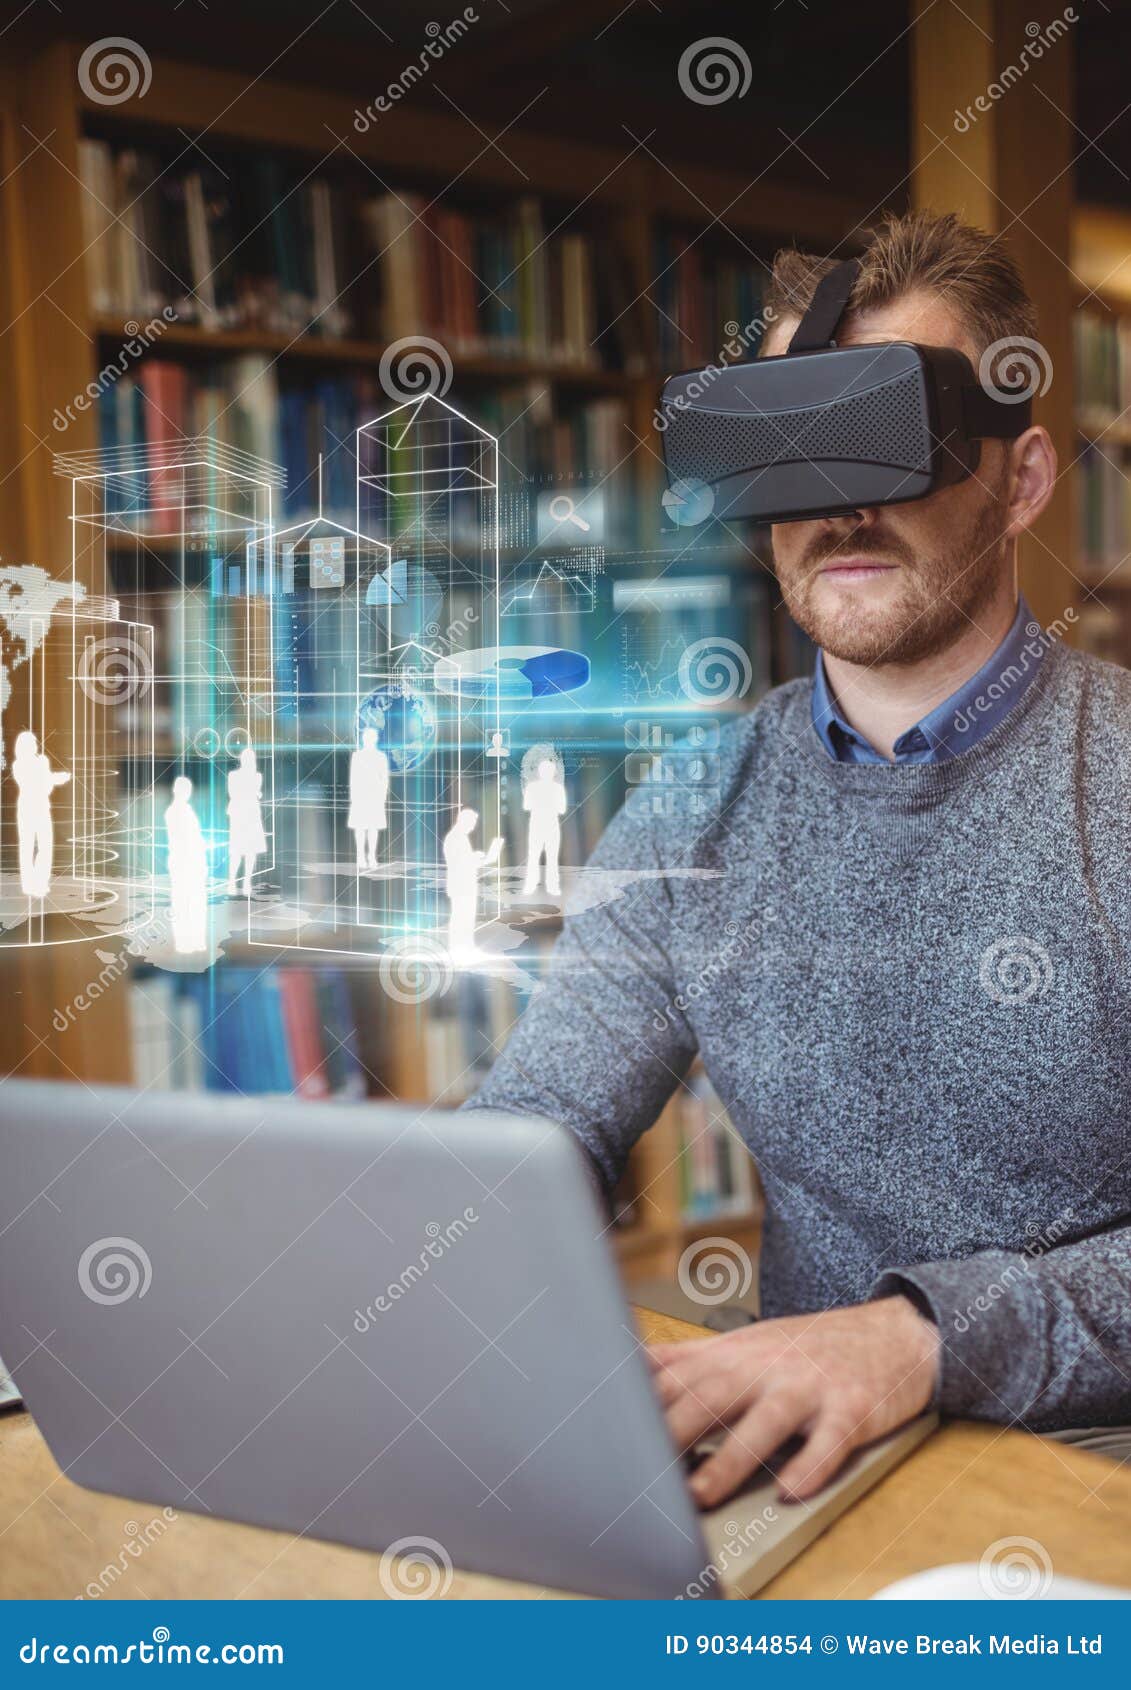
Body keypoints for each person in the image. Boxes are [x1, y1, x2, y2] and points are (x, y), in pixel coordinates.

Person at [468, 210, 1131, 1507]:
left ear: (1024, 479)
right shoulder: (691, 806)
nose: (839, 503)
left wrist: (920, 1336)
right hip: (803, 1483)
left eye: (883, 433)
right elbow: (538, 1120)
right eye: (786, 449)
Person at [12, 730, 69, 898]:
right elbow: (40, 782)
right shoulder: (21, 764)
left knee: (44, 846)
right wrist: (55, 779)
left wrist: (53, 779)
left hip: (40, 808)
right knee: (28, 847)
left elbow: (44, 782)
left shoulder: (39, 761)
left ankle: (39, 883)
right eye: (34, 742)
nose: (37, 745)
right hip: (30, 809)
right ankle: (31, 885)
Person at [443, 808, 502, 956]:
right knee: (460, 918)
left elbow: (463, 859)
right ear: (462, 820)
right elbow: (458, 862)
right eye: (471, 823)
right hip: (460, 885)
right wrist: (475, 859)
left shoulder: (460, 837)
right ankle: (458, 949)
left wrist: (474, 856)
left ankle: (466, 947)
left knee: (467, 917)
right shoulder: (454, 838)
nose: (473, 827)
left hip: (465, 884)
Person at [165, 776, 208, 954]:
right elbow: (184, 840)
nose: (187, 793)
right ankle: (184, 942)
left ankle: (195, 940)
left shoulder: (186, 810)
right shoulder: (175, 812)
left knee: (195, 903)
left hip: (192, 864)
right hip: (183, 864)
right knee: (183, 904)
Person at [522, 757, 566, 898]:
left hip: (543, 824)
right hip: (545, 825)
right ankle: (544, 886)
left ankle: (535, 886)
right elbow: (562, 809)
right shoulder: (556, 788)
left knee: (540, 857)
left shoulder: (533, 787)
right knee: (543, 857)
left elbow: (527, 806)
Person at [226, 746, 266, 898]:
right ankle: (232, 882)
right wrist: (253, 792)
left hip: (251, 815)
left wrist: (254, 792)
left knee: (251, 851)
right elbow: (234, 793)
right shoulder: (234, 775)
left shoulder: (257, 776)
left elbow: (254, 791)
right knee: (237, 851)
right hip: (239, 815)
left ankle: (246, 882)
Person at [348, 726, 390, 871]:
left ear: (375, 739)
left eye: (372, 737)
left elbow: (384, 779)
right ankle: (360, 857)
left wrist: (382, 797)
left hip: (375, 798)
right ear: (363, 739)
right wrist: (354, 797)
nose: (369, 740)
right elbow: (354, 778)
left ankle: (371, 856)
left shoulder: (381, 757)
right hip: (360, 797)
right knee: (360, 828)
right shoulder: (357, 756)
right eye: (367, 737)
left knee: (373, 828)